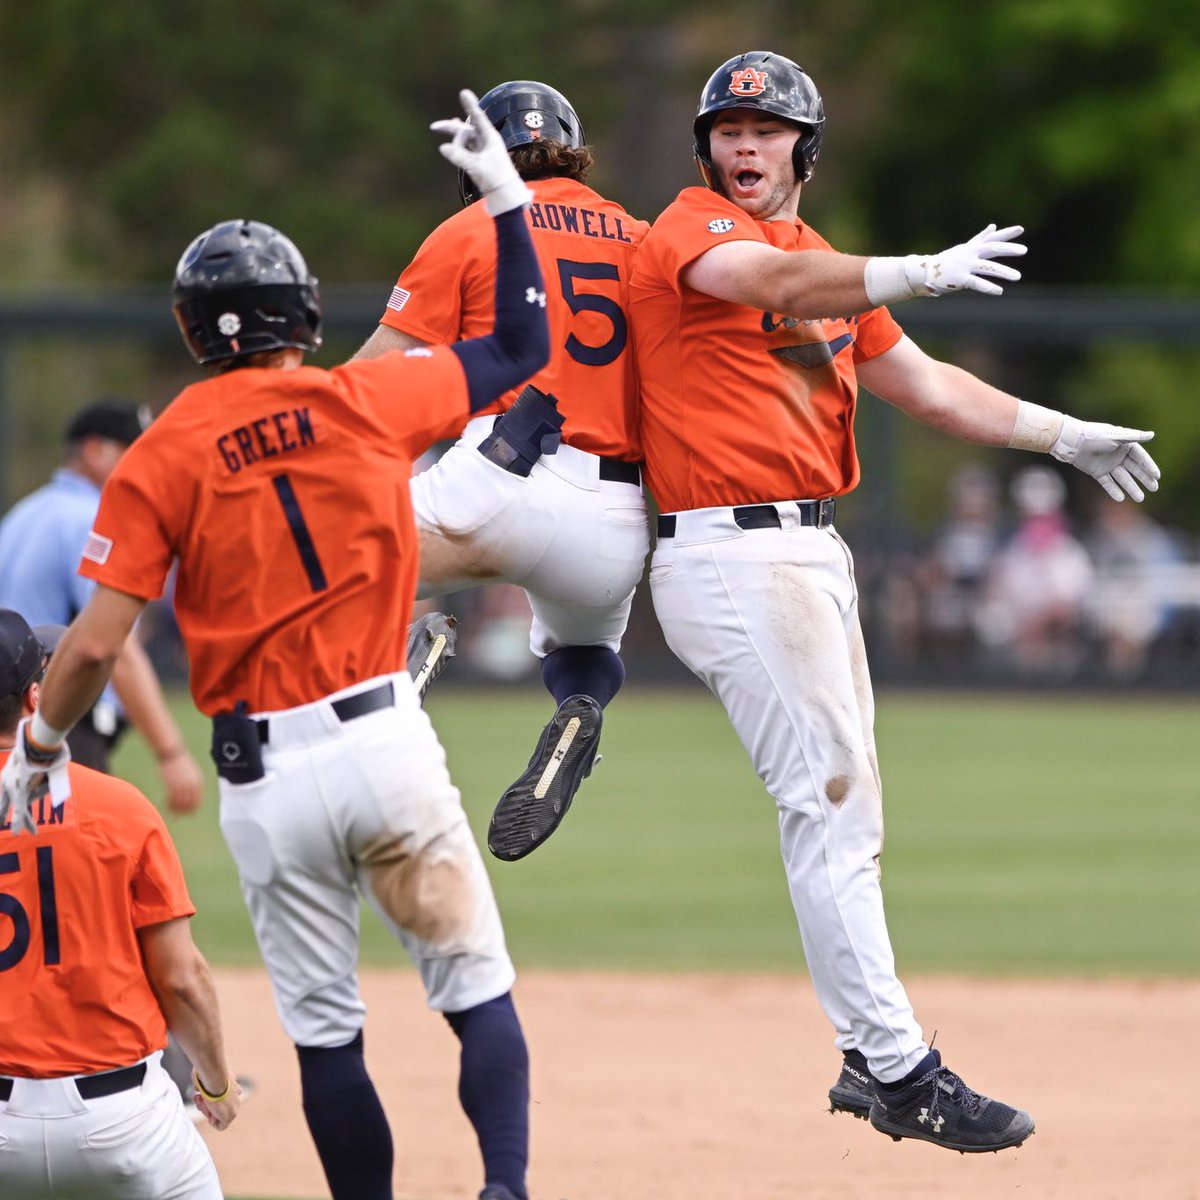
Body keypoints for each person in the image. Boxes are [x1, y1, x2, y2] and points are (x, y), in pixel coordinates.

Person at [0, 89, 549, 1200]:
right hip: (387, 736)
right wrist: (505, 198)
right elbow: (523, 344)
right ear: (303, 313)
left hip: (265, 773)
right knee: (477, 993)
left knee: (328, 1042)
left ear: (196, 330)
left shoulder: (159, 454)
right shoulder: (369, 396)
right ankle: (504, 1189)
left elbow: (100, 644)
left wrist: (42, 748)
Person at [628, 49, 1161, 1153]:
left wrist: (1061, 435)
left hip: (803, 556)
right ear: (703, 146)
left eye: (767, 132)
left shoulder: (818, 258)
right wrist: (916, 268)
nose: (744, 145)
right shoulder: (691, 232)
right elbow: (766, 289)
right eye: (729, 129)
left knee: (847, 808)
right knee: (828, 807)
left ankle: (882, 1058)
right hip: (732, 551)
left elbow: (923, 386)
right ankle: (895, 1066)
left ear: (803, 151)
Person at [354, 80, 650, 862]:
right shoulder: (643, 237)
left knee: (338, 571)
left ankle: (412, 661)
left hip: (507, 475)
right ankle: (582, 705)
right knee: (582, 654)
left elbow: (376, 376)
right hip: (623, 519)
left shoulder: (475, 224)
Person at [0, 608, 240, 1199]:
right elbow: (182, 978)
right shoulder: (120, 808)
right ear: (37, 697)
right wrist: (215, 1085)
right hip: (121, 1127)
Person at [0, 399, 205, 809]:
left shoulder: (24, 512)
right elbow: (109, 644)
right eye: (133, 449)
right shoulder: (90, 517)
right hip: (59, 720)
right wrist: (171, 751)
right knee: (80, 863)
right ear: (94, 451)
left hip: (10, 717)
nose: (146, 461)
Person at [976, 464, 1095, 675]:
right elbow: (997, 591)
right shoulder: (1013, 549)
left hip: (1054, 633)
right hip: (1018, 627)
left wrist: (1033, 627)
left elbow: (1066, 607)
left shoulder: (1069, 552)